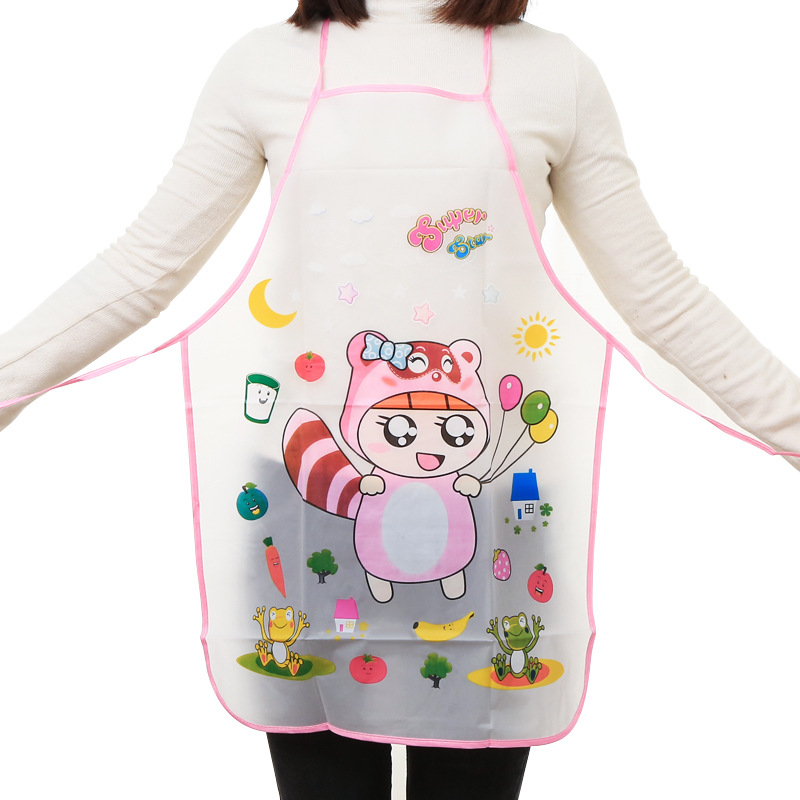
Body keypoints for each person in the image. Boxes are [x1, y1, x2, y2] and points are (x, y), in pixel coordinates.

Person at [1, 1, 798, 798]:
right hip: (317, 502)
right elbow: (142, 270)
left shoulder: (553, 73)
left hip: (486, 508)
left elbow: (660, 296)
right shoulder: (264, 66)